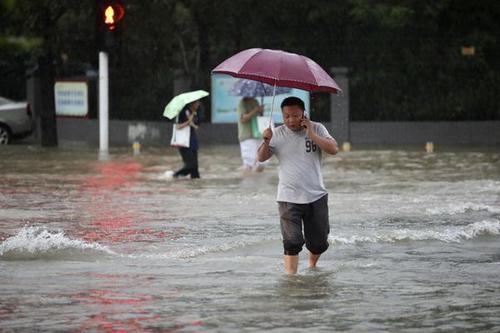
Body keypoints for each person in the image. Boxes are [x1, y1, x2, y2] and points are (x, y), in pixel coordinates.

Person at [257, 96, 338, 274]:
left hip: (316, 195)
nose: (291, 120)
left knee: (318, 243)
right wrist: (266, 141)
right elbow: (261, 158)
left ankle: (311, 267)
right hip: (288, 197)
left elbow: (333, 149)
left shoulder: (317, 128)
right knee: (292, 241)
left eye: (295, 115)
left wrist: (312, 134)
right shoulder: (275, 133)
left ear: (304, 114)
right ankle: (290, 280)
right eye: (286, 116)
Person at [172, 100, 201, 178]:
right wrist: (188, 122)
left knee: (195, 168)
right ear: (192, 103)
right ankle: (175, 176)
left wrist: (193, 121)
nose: (198, 104)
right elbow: (177, 126)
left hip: (192, 141)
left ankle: (196, 184)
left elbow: (197, 126)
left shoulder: (195, 113)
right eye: (197, 103)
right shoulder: (182, 112)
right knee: (190, 165)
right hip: (183, 142)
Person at [237, 97, 266, 172]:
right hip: (247, 136)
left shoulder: (255, 101)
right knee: (248, 164)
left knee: (261, 163)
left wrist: (261, 111)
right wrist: (255, 110)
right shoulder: (242, 103)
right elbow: (243, 119)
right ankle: (247, 182)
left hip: (258, 134)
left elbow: (259, 117)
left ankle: (258, 182)